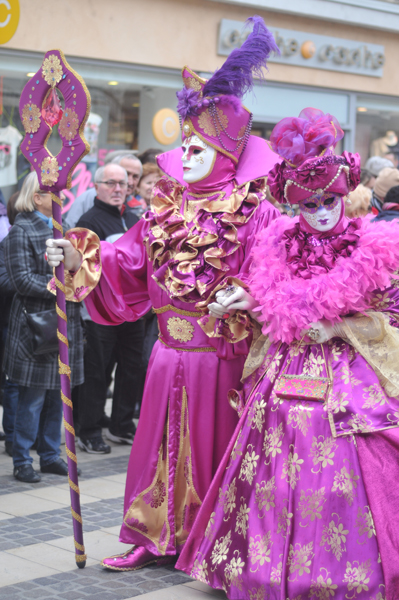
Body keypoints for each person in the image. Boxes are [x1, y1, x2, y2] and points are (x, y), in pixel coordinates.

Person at [46, 16, 280, 571]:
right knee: (156, 447)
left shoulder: (257, 211)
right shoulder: (163, 211)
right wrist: (74, 254)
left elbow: (278, 277)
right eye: (188, 142)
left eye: (203, 143)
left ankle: (211, 544)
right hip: (166, 354)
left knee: (211, 451)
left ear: (228, 152)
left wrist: (247, 294)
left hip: (223, 359)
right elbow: (122, 259)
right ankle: (153, 535)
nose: (190, 152)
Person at [177, 108, 399, 600]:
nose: (321, 210)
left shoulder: (376, 245)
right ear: (294, 204)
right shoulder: (278, 244)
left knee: (347, 471)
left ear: (345, 194)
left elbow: (394, 319)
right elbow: (273, 300)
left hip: (352, 379)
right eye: (309, 203)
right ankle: (259, 569)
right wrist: (245, 299)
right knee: (272, 467)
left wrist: (340, 326)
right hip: (285, 372)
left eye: (329, 200)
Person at [3, 172, 84, 483]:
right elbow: (21, 281)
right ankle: (22, 459)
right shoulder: (20, 231)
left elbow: (83, 269)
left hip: (65, 321)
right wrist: (60, 285)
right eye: (55, 192)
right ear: (37, 197)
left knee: (58, 395)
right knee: (33, 397)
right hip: (35, 325)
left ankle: (50, 455)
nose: (63, 196)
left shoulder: (64, 229)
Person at [74, 163, 143, 453]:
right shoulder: (89, 222)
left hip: (134, 310)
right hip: (100, 311)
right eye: (111, 183)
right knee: (97, 372)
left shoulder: (134, 217)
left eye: (123, 184)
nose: (118, 189)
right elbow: (82, 270)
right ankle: (88, 430)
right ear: (96, 186)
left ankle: (122, 425)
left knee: (132, 368)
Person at [64, 152, 142, 229]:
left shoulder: (137, 207)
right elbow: (71, 230)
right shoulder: (88, 198)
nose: (130, 181)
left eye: (135, 176)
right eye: (127, 174)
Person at [0, 192, 21, 457]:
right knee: (13, 382)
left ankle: (17, 436)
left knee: (13, 381)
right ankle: (15, 437)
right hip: (9, 315)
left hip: (11, 315)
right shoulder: (12, 237)